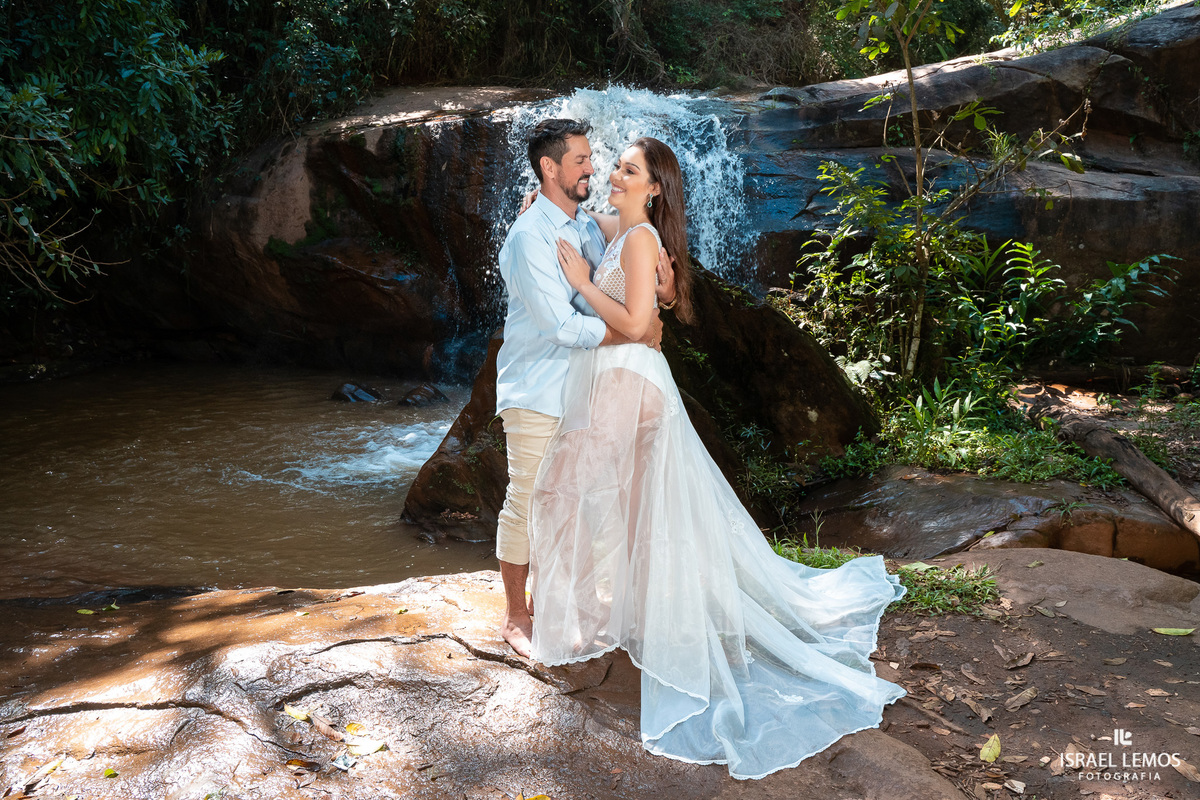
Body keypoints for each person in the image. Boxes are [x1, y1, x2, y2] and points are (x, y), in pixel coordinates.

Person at [526, 136, 908, 780]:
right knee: (631, 505)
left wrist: (583, 283)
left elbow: (636, 323)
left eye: (628, 169)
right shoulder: (623, 231)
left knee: (567, 490)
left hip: (627, 380)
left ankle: (577, 626)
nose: (614, 174)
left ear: (654, 188)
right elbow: (593, 230)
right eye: (615, 165)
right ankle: (640, 620)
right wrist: (545, 205)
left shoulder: (639, 239)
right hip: (623, 380)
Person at [494, 118, 677, 658]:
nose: (594, 170)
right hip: (537, 389)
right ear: (549, 168)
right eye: (582, 160)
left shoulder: (588, 227)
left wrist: (663, 298)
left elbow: (635, 265)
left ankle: (566, 605)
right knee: (529, 499)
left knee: (576, 500)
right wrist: (636, 332)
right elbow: (562, 326)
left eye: (597, 160)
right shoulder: (530, 235)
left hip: (586, 389)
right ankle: (515, 615)